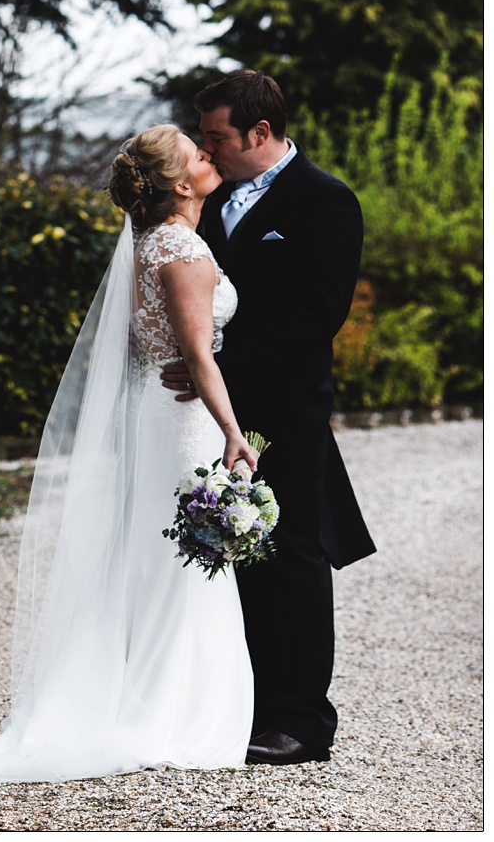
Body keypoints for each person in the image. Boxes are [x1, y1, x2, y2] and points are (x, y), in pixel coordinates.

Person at [0, 125, 258, 791]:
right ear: (179, 182)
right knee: (182, 559)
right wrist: (234, 432)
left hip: (149, 411)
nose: (208, 155)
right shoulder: (184, 248)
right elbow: (196, 357)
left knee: (152, 551)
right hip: (182, 421)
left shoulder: (144, 245)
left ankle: (139, 694)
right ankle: (174, 711)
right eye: (197, 152)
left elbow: (155, 351)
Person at [162, 71, 375, 766]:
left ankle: (303, 722)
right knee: (226, 556)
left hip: (284, 411)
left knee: (294, 559)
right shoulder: (210, 198)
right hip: (210, 414)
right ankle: (241, 704)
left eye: (217, 136)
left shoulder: (326, 201)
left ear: (259, 133)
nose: (206, 147)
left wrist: (215, 375)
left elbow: (318, 315)